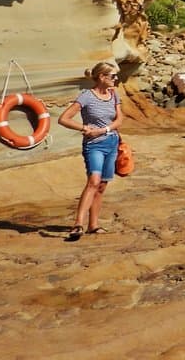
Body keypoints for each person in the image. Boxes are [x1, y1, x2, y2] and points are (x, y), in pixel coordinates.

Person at [57, 62, 123, 241]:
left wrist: (103, 130)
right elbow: (63, 119)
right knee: (93, 181)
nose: (116, 79)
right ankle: (78, 224)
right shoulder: (86, 96)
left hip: (111, 142)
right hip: (93, 145)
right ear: (102, 77)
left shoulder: (114, 94)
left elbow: (119, 120)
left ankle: (93, 225)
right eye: (113, 76)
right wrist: (83, 127)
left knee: (102, 185)